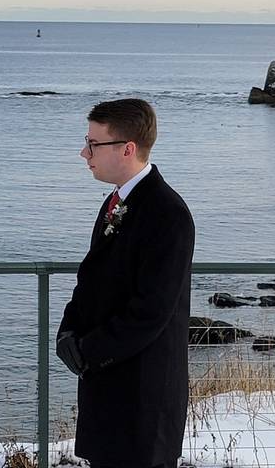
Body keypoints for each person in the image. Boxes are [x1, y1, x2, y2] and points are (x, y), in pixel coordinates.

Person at [58, 99, 195, 468]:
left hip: (144, 393)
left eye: (93, 144)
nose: (83, 152)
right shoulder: (114, 203)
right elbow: (89, 279)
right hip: (108, 386)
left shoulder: (168, 213)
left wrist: (89, 351)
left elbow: (152, 311)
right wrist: (67, 332)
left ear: (127, 149)